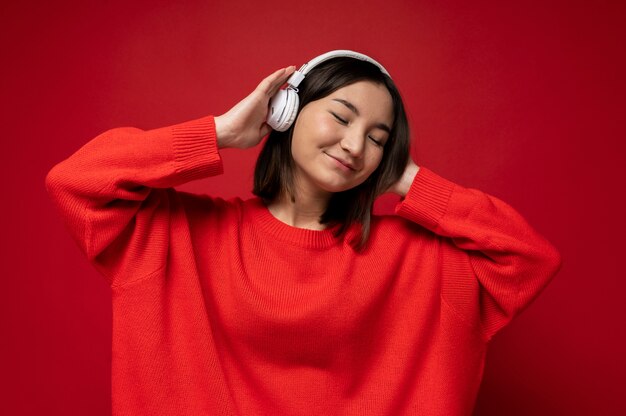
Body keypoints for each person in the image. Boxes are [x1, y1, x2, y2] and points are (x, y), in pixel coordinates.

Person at [45, 50, 561, 415]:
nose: (355, 145)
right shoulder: (178, 235)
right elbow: (76, 182)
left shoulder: (419, 260)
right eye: (341, 115)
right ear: (285, 111)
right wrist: (221, 132)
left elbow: (528, 258)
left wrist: (410, 179)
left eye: (378, 139)